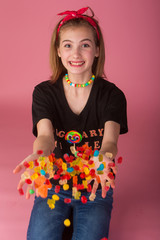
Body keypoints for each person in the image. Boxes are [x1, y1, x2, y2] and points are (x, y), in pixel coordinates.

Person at [13, 7, 128, 240]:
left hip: (96, 186)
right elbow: (45, 136)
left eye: (85, 45)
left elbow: (110, 142)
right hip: (54, 185)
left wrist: (103, 159)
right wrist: (39, 154)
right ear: (58, 51)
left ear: (97, 50)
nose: (76, 54)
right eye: (68, 45)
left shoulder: (112, 95)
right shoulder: (44, 93)